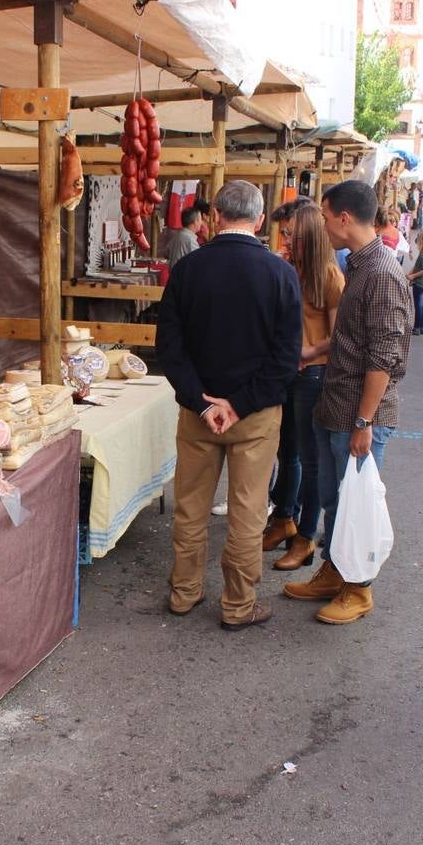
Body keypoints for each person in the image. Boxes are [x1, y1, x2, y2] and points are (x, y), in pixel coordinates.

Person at [156, 180, 301, 630]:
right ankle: (238, 605)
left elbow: (170, 349)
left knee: (191, 507)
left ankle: (184, 592)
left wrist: (204, 403)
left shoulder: (188, 270)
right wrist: (237, 405)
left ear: (215, 215)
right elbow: (284, 358)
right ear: (259, 220)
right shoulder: (280, 274)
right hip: (254, 415)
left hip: (198, 413)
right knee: (247, 513)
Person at [282, 180, 411, 624]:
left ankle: (358, 589)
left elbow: (384, 356)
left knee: (357, 504)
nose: (319, 222)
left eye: (323, 214)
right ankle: (335, 572)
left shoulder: (381, 272)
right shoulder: (360, 265)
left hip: (356, 411)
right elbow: (350, 340)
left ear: (342, 218)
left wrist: (364, 420)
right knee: (335, 497)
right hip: (335, 404)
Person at [267, 204, 343, 571]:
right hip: (287, 373)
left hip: (313, 375)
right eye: (284, 232)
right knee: (287, 453)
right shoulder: (288, 269)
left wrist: (307, 351)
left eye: (291, 233)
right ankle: (284, 518)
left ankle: (307, 536)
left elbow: (338, 334)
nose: (286, 238)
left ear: (309, 235)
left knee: (311, 462)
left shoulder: (330, 276)